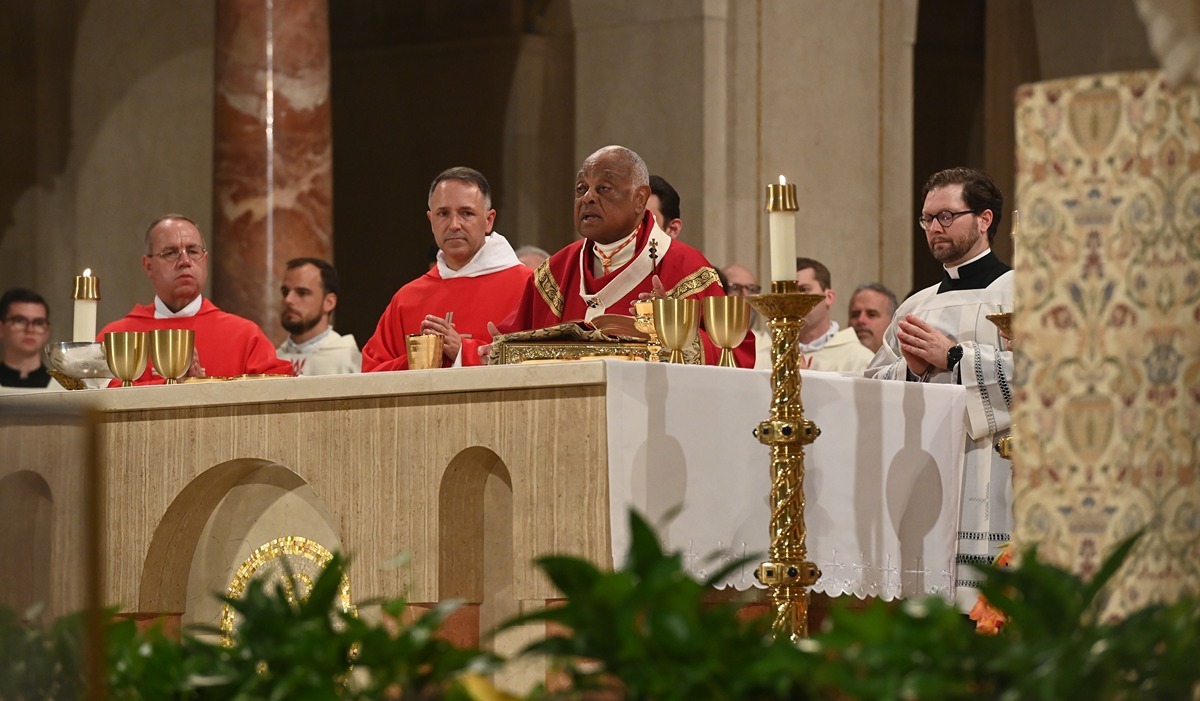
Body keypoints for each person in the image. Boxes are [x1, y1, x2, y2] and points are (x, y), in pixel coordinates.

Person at [863, 166, 1014, 610]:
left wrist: (954, 357)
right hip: (930, 471)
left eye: (946, 216)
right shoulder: (916, 305)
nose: (934, 228)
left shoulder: (1021, 294)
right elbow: (875, 386)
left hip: (999, 472)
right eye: (927, 219)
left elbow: (1048, 382)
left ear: (984, 220)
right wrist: (910, 373)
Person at [496, 146, 753, 367]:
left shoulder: (686, 268)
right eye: (581, 188)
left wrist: (673, 332)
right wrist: (489, 350)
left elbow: (736, 355)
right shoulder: (554, 271)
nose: (588, 198)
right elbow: (509, 346)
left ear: (640, 198)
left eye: (604, 188)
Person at [362, 167, 531, 371]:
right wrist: (423, 358)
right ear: (431, 221)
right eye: (443, 213)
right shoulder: (407, 299)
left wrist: (463, 351)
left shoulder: (527, 287)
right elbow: (371, 372)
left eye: (466, 213)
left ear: (488, 220)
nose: (454, 225)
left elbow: (548, 362)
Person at [98, 214, 293, 383]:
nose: (185, 262)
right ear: (148, 266)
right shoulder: (117, 338)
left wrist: (202, 388)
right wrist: (173, 387)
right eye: (171, 253)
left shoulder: (244, 336)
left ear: (205, 260)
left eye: (192, 251)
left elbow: (280, 393)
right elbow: (94, 397)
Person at [275, 258, 361, 376]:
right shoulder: (274, 360)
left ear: (329, 302)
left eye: (302, 293)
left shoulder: (348, 360)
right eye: (285, 292)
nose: (288, 300)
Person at [794, 257, 874, 371]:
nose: (793, 299)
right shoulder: (768, 356)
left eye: (803, 290)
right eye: (789, 292)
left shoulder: (860, 359)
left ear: (829, 297)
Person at [721, 262, 770, 370]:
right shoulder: (705, 344)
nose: (745, 296)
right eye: (735, 288)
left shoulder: (770, 349)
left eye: (751, 289)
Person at [0, 287, 53, 388]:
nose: (30, 330)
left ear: (47, 332)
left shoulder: (60, 387)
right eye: (20, 320)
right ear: (1, 329)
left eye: (38, 323)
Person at [847, 282, 899, 353]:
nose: (861, 320)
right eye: (855, 315)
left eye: (872, 314)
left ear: (892, 323)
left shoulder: (906, 363)